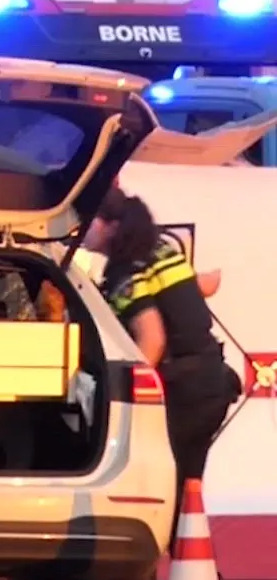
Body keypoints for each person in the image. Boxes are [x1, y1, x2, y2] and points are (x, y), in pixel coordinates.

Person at [83, 189, 238, 487]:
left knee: (155, 486)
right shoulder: (161, 250)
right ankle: (188, 532)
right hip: (212, 384)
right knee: (188, 487)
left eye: (90, 221)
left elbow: (152, 340)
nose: (82, 229)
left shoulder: (124, 272)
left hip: (183, 393)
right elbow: (199, 286)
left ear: (112, 226)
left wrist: (122, 395)